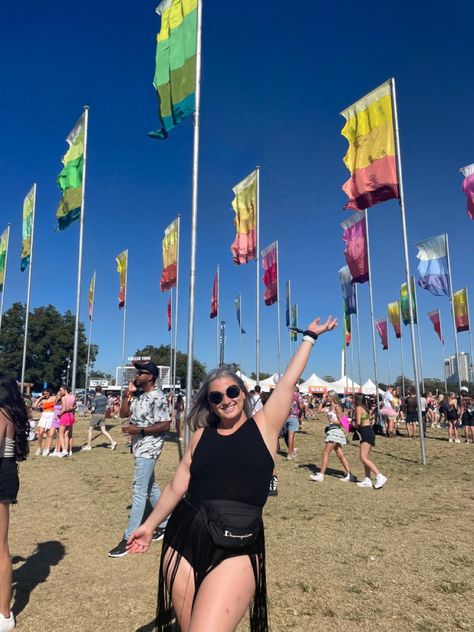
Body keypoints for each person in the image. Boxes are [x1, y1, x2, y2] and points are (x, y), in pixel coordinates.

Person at [126, 316, 337, 631]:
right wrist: (149, 525)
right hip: (185, 536)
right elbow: (175, 487)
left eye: (232, 391)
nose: (226, 399)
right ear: (210, 405)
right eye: (216, 397)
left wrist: (309, 336)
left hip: (237, 542)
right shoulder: (201, 436)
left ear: (243, 393)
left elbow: (289, 381)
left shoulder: (264, 426)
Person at [108, 361, 171, 558]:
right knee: (150, 485)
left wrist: (140, 430)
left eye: (141, 372)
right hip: (138, 446)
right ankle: (166, 522)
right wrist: (129, 394)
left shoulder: (158, 397)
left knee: (138, 489)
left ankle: (130, 537)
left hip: (149, 447)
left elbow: (166, 424)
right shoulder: (139, 395)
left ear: (151, 377)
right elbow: (123, 413)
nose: (137, 375)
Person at [0, 374, 29, 632]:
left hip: (1, 475)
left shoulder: (0, 413)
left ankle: (4, 614)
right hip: (6, 473)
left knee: (0, 547)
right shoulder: (10, 413)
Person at [310, 390, 355, 483]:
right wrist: (322, 402)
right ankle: (349, 474)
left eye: (327, 397)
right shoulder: (329, 407)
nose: (326, 398)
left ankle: (321, 475)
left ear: (332, 397)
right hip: (332, 431)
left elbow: (341, 422)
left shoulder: (337, 408)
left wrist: (331, 420)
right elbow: (318, 411)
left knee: (325, 453)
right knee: (340, 454)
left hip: (335, 431)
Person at [352, 394, 387, 489]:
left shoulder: (358, 408)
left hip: (366, 433)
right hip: (368, 432)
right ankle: (367, 479)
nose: (352, 399)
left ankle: (380, 476)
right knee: (366, 457)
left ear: (356, 399)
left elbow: (358, 423)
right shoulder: (364, 407)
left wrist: (346, 423)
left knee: (363, 458)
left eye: (353, 398)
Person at [82, 386, 117, 451]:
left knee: (90, 429)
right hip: (103, 415)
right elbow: (107, 406)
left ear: (95, 390)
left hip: (96, 415)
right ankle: (112, 442)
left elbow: (93, 409)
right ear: (101, 390)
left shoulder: (95, 398)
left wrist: (88, 411)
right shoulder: (104, 397)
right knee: (103, 430)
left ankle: (89, 445)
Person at [33, 389, 56, 456]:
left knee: (49, 433)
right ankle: (39, 448)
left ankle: (47, 448)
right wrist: (40, 397)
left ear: (49, 392)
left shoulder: (53, 398)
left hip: (51, 416)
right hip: (44, 416)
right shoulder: (43, 400)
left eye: (47, 393)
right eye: (44, 394)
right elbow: (34, 406)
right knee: (40, 432)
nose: (46, 395)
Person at [285, 388, 303, 460]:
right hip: (293, 416)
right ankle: (289, 454)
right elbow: (301, 406)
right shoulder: (297, 394)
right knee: (291, 437)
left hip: (283, 417)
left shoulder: (284, 393)